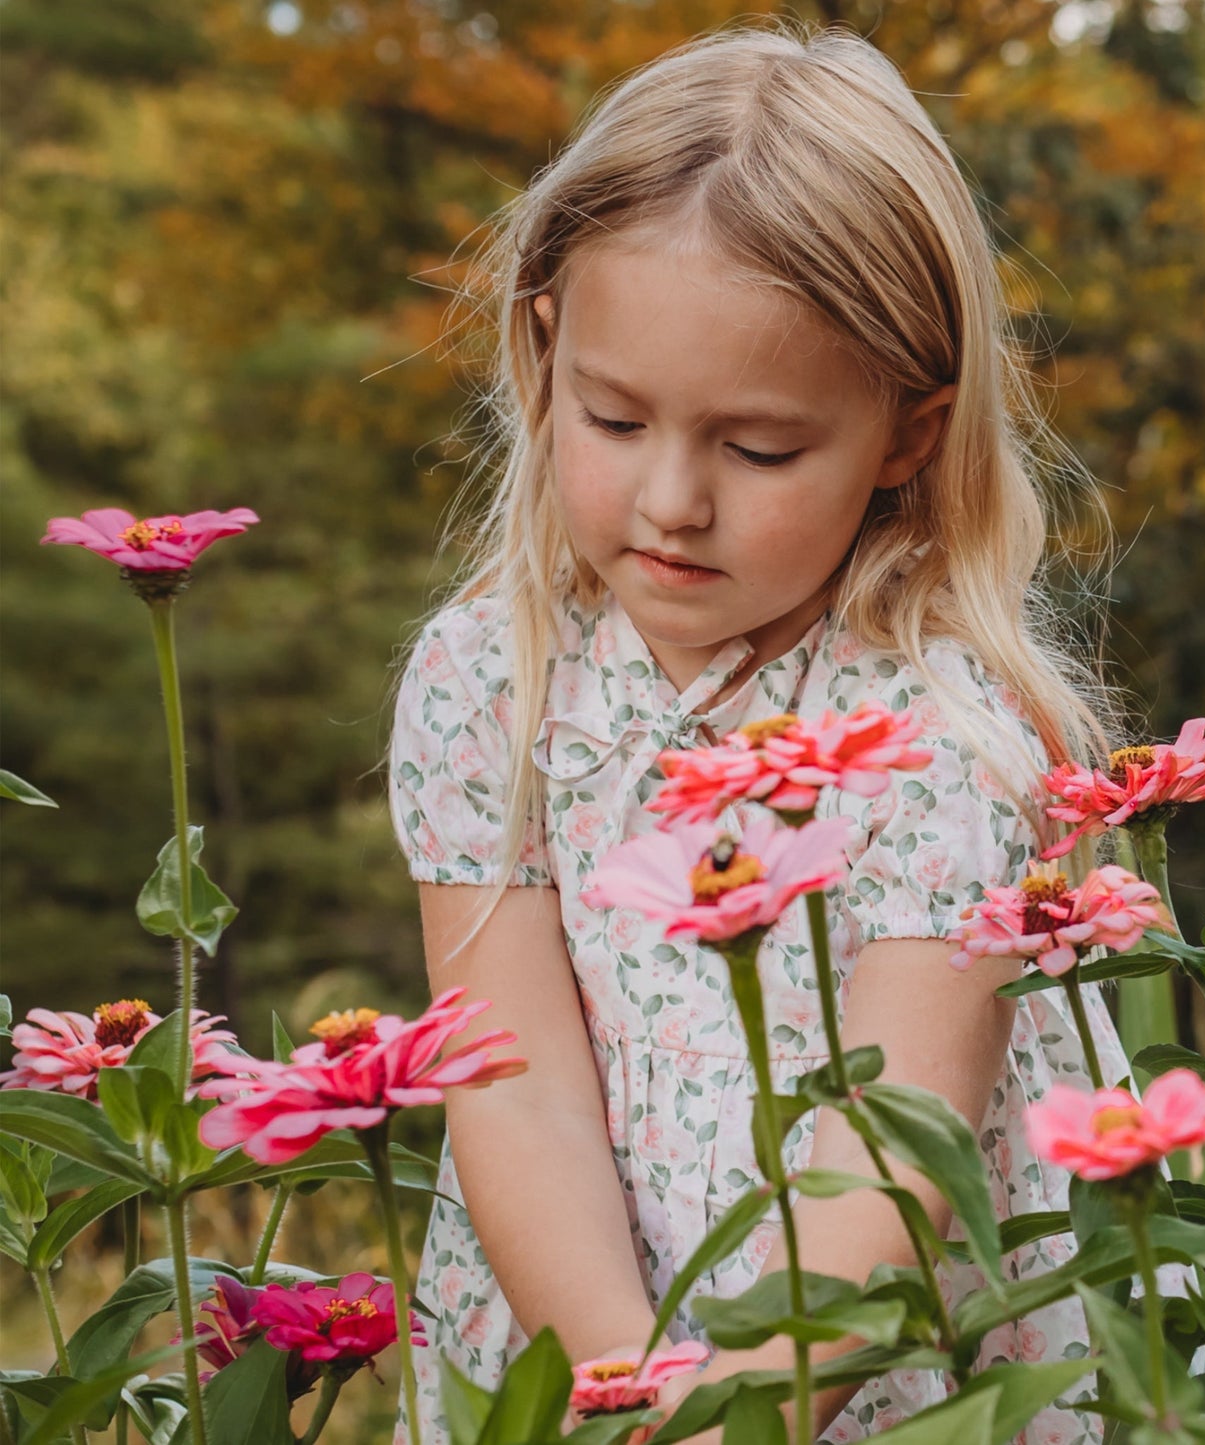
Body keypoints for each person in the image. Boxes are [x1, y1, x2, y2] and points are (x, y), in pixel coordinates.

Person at [388, 23, 1128, 1443]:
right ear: (546, 344)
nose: (671, 498)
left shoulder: (935, 731)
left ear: (906, 435)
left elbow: (897, 1141)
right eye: (611, 417)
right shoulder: (495, 677)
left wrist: (754, 1407)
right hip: (576, 1328)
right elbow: (512, 1080)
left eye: (759, 448)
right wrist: (629, 1391)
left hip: (872, 1360)